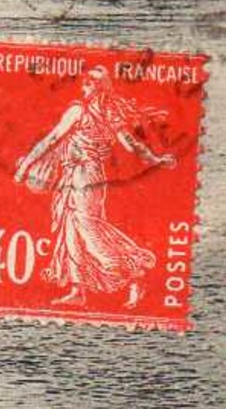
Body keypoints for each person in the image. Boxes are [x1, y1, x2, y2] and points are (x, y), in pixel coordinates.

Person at [13, 64, 174, 307]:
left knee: (88, 229)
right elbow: (133, 146)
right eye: (85, 83)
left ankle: (135, 275)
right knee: (71, 228)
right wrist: (156, 159)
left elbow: (52, 138)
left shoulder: (79, 111)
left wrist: (25, 167)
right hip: (84, 174)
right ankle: (78, 290)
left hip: (83, 175)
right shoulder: (112, 116)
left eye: (89, 83)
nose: (84, 87)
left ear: (97, 89)